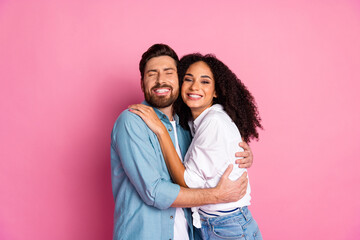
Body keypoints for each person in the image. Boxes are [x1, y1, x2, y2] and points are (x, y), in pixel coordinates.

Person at [111, 44, 254, 240]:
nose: (160, 80)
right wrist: (217, 195)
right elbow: (155, 192)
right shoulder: (131, 121)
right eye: (152, 74)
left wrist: (243, 153)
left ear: (178, 80)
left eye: (168, 72)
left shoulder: (186, 126)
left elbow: (211, 158)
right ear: (142, 82)